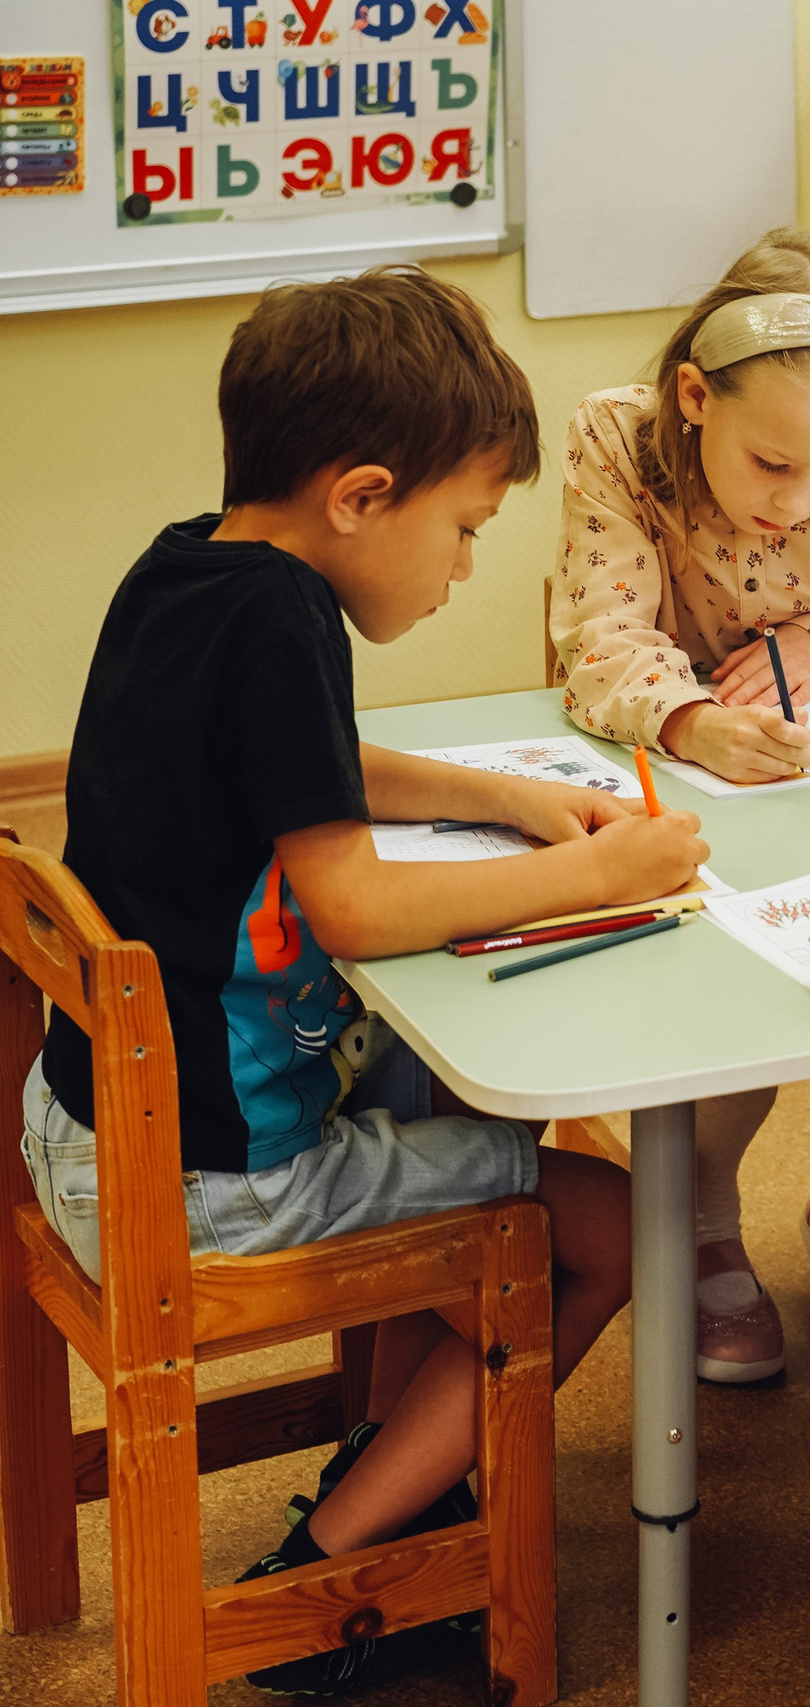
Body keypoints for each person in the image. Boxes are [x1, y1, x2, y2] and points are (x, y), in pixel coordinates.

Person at [22, 268, 693, 1695]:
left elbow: (306, 762)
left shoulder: (190, 566)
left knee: (435, 1086)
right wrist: (595, 875)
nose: (459, 571)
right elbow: (359, 904)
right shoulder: (286, 621)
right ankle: (340, 1558)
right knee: (608, 1219)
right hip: (214, 1180)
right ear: (360, 494)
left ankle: (402, 1448)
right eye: (460, 530)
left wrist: (498, 795)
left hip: (82, 1127)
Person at [546, 227, 810, 1381]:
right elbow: (604, 639)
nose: (805, 499)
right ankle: (706, 1214)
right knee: (738, 1018)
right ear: (692, 397)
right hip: (672, 785)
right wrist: (689, 720)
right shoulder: (617, 438)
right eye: (774, 465)